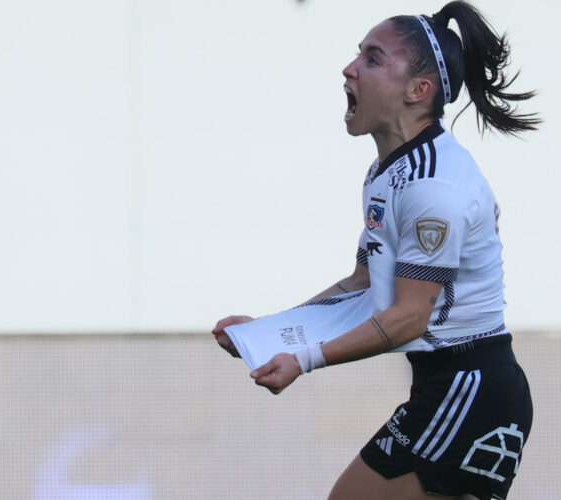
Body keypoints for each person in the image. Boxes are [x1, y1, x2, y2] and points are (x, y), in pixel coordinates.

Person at [212, 2, 537, 498]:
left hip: (469, 390)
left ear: (417, 90)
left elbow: (409, 317)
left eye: (372, 58)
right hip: (450, 388)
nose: (350, 68)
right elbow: (362, 284)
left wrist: (305, 359)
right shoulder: (388, 173)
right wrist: (268, 334)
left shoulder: (434, 185)